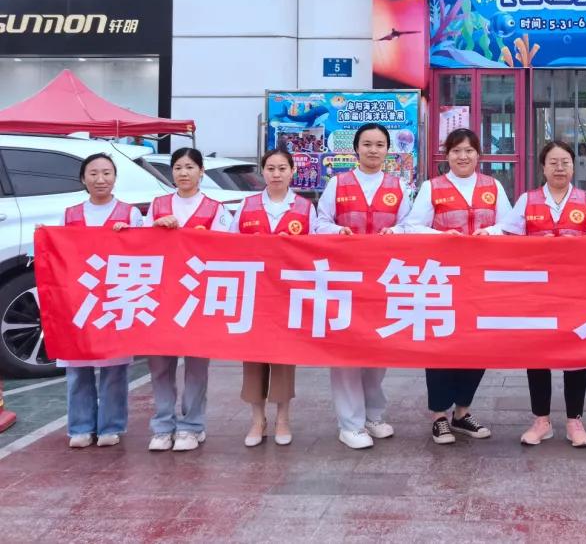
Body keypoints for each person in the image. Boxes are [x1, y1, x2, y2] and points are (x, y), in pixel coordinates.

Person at [481, 140, 586, 448]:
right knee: (537, 355)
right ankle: (541, 421)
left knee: (576, 355)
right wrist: (487, 234)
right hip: (537, 293)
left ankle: (575, 421)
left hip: (576, 292)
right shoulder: (528, 200)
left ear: (573, 167)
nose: (560, 168)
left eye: (565, 162)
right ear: (543, 167)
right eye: (553, 162)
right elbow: (507, 231)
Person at [395, 127, 513, 444]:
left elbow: (510, 224)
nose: (463, 156)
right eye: (456, 150)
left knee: (477, 344)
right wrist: (442, 237)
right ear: (446, 155)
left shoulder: (493, 186)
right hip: (443, 279)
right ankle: (439, 415)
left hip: (482, 279)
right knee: (441, 344)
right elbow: (412, 226)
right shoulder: (432, 187)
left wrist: (491, 233)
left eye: (469, 150)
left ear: (478, 155)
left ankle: (462, 413)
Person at [317, 123, 411, 451]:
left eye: (379, 144)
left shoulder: (398, 186)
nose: (373, 150)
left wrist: (396, 233)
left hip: (383, 279)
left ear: (388, 150)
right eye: (367, 144)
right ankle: (350, 424)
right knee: (346, 351)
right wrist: (336, 232)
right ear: (356, 148)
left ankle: (373, 415)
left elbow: (409, 225)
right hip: (345, 279)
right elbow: (320, 222)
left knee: (377, 348)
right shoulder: (337, 184)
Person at [231, 148, 317, 448]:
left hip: (288, 295)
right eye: (270, 168)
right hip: (254, 294)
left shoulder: (305, 208)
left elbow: (316, 249)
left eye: (282, 168)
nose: (276, 174)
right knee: (253, 358)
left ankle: (282, 418)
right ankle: (257, 420)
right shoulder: (247, 205)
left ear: (293, 171)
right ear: (263, 171)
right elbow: (228, 247)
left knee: (283, 358)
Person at [146, 148, 230, 453]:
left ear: (201, 171)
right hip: (161, 295)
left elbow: (226, 249)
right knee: (160, 364)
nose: (184, 173)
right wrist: (156, 229)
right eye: (178, 167)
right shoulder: (157, 205)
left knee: (196, 366)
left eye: (190, 167)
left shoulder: (216, 209)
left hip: (198, 295)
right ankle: (162, 425)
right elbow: (139, 246)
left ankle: (192, 425)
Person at [62, 153, 142, 449]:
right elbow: (59, 255)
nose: (100, 179)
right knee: (78, 366)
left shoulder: (130, 214)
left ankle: (111, 425)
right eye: (93, 173)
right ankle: (80, 426)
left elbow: (143, 254)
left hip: (115, 297)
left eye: (107, 173)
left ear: (115, 178)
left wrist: (127, 237)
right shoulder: (70, 214)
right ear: (83, 179)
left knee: (114, 367)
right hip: (80, 298)